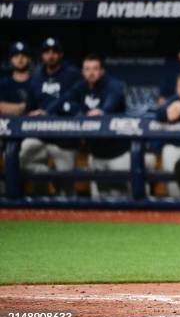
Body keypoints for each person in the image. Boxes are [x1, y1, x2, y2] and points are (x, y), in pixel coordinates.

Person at [19, 38, 82, 195]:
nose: (51, 55)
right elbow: (29, 107)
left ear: (60, 54)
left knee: (66, 186)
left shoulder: (73, 75)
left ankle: (66, 211)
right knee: (22, 156)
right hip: (41, 135)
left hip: (65, 137)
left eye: (54, 52)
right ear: (42, 55)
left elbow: (76, 102)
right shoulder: (36, 77)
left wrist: (49, 112)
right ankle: (43, 184)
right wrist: (31, 113)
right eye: (47, 52)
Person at [63, 54, 128, 199]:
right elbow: (66, 102)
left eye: (95, 68)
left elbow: (112, 102)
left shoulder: (113, 85)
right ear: (82, 71)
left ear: (102, 71)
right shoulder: (80, 87)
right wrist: (78, 113)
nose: (91, 72)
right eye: (87, 69)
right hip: (97, 153)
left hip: (119, 153)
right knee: (101, 199)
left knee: (125, 196)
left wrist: (102, 111)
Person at [0, 42, 33, 116]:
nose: (20, 58)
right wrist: (26, 107)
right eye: (16, 55)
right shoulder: (3, 84)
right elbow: (1, 108)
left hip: (32, 125)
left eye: (24, 55)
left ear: (29, 59)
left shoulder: (37, 82)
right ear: (10, 60)